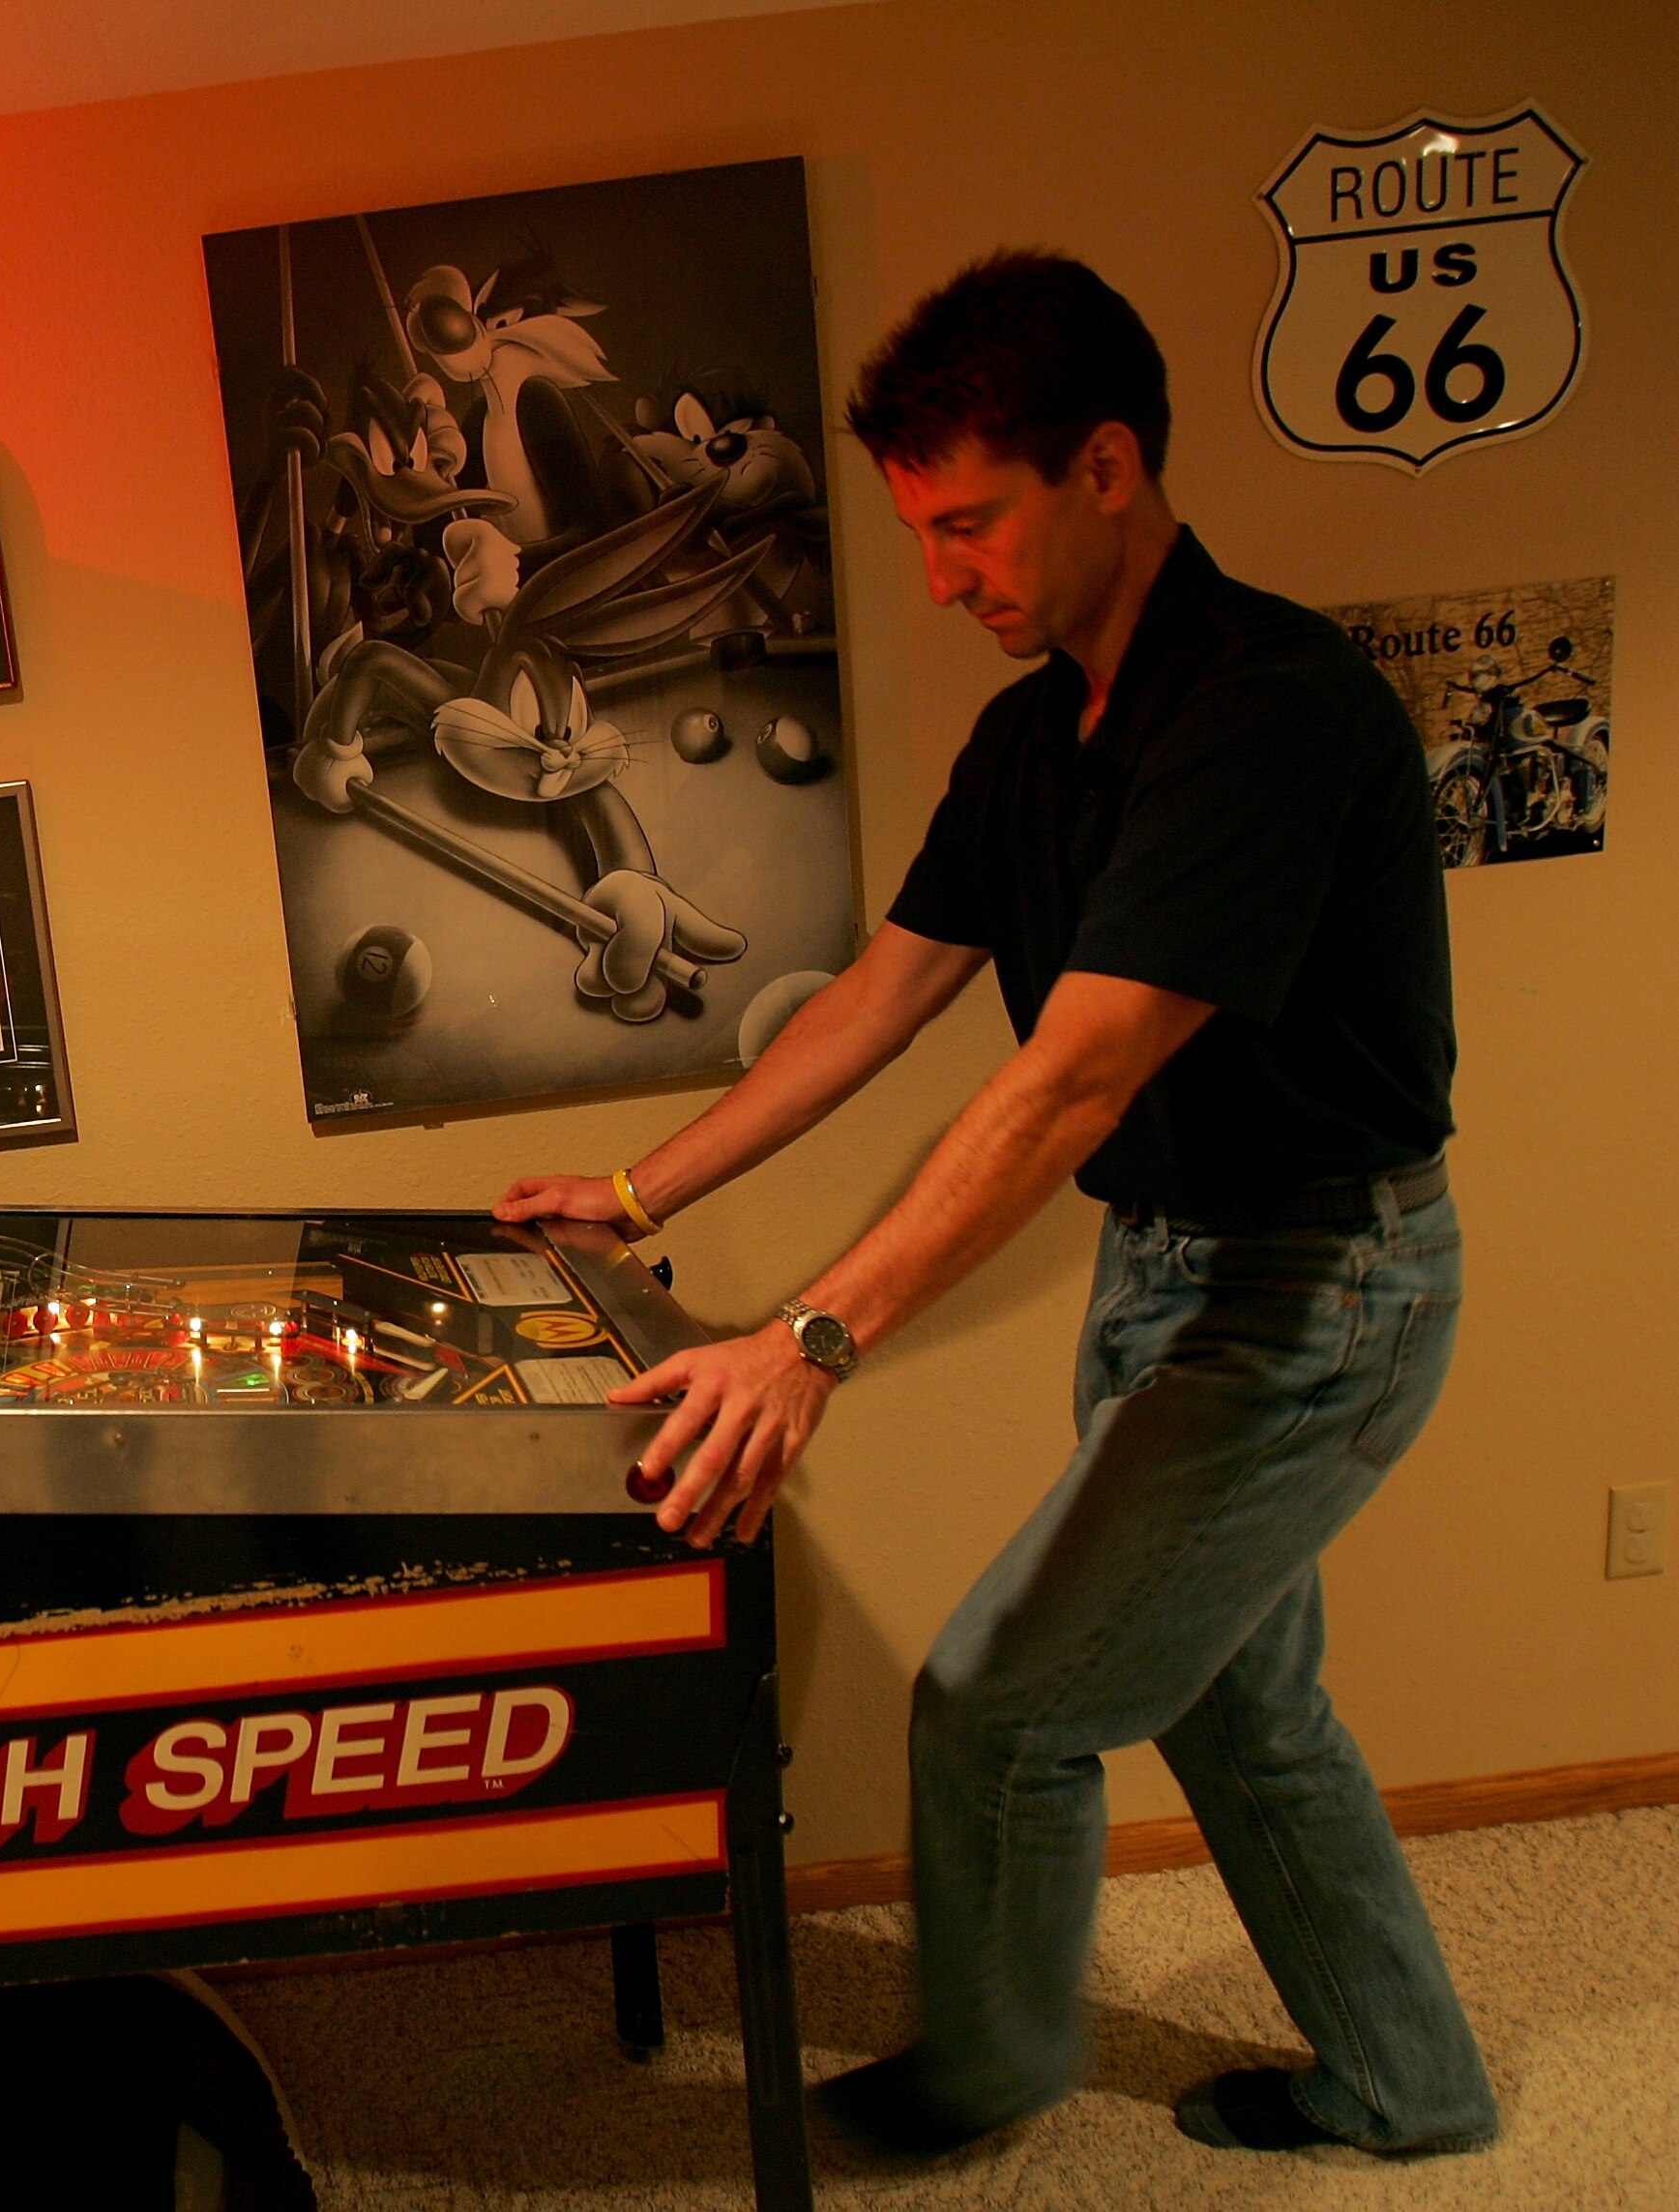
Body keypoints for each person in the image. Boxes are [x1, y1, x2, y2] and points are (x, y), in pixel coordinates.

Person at [494, 252, 1495, 2161]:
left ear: (1102, 465)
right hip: (1166, 1272)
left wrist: (808, 1337)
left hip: (1309, 1292)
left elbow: (1072, 1077)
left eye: (969, 525)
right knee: (1239, 1709)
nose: (943, 576)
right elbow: (882, 991)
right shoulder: (1038, 735)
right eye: (920, 533)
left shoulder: (1265, 709)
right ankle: (1410, 2084)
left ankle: (977, 2077)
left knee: (1000, 1708)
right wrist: (634, 1187)